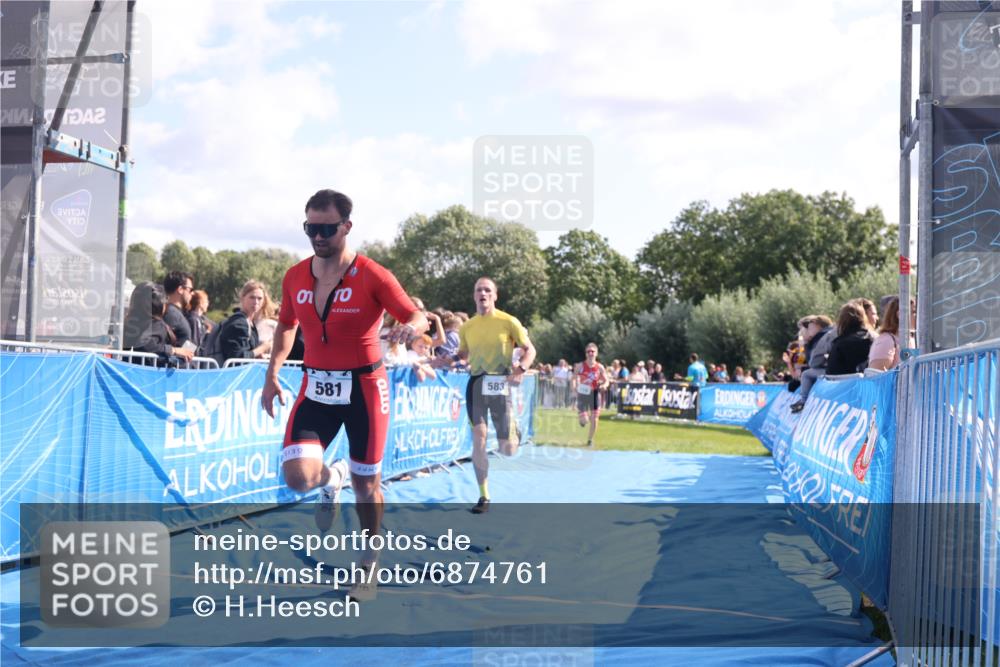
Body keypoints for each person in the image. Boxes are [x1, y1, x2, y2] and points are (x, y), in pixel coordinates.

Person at [260, 189, 427, 601]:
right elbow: (285, 327)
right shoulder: (295, 275)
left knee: (367, 484)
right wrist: (273, 374)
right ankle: (330, 477)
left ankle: (368, 565)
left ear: (346, 227)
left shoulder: (373, 274)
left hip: (365, 388)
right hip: (315, 385)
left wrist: (414, 327)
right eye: (310, 228)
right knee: (297, 478)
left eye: (326, 229)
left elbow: (416, 314)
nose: (318, 236)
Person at [455, 277, 536, 514]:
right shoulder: (467, 326)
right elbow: (462, 354)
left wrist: (521, 368)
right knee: (478, 436)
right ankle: (484, 496)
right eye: (479, 289)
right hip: (476, 383)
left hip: (500, 382)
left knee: (507, 450)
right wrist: (446, 358)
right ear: (474, 296)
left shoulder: (509, 321)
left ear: (495, 295)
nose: (483, 293)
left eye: (487, 289)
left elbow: (530, 349)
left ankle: (515, 431)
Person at [123, 282, 194, 366]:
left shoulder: (128, 322)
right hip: (151, 375)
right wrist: (174, 350)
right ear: (160, 304)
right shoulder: (156, 324)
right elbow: (145, 345)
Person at [214, 281, 273, 364]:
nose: (256, 302)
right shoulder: (239, 323)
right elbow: (237, 357)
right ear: (242, 298)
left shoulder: (248, 321)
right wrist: (262, 349)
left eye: (259, 298)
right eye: (252, 297)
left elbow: (246, 352)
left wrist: (257, 356)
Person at [826, 301, 875, 375]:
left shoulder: (837, 344)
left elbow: (831, 371)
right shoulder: (871, 339)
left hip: (842, 384)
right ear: (863, 318)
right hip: (865, 384)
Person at [574, 342, 609, 447]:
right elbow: (574, 378)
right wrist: (574, 387)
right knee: (585, 420)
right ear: (586, 353)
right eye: (588, 351)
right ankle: (583, 421)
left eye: (592, 351)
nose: (590, 353)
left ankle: (590, 440)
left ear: (596, 353)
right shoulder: (580, 366)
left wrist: (604, 385)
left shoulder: (600, 367)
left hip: (594, 394)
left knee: (594, 418)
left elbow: (606, 380)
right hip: (583, 394)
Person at [162, 271, 194, 351]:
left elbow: (185, 343)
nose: (192, 293)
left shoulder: (176, 313)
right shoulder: (171, 314)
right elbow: (160, 343)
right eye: (190, 289)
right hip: (171, 363)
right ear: (180, 289)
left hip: (182, 363)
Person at [868, 297, 902, 371]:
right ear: (899, 314)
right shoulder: (886, 340)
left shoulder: (915, 339)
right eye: (914, 311)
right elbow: (876, 376)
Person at [185, 289, 213, 354]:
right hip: (191, 361)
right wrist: (207, 333)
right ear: (200, 303)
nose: (208, 303)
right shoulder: (194, 319)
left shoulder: (198, 319)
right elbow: (194, 343)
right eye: (206, 301)